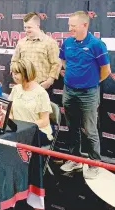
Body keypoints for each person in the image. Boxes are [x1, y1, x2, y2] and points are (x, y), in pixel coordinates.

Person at [59, 11, 111, 179]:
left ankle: (95, 163)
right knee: (72, 127)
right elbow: (64, 61)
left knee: (89, 129)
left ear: (85, 25)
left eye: (73, 26)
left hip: (88, 93)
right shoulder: (67, 42)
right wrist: (70, 76)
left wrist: (92, 83)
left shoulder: (97, 44)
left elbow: (106, 70)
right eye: (69, 25)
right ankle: (75, 159)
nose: (69, 28)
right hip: (69, 91)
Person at [11, 12, 61, 99]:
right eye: (25, 27)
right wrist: (14, 74)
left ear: (37, 25)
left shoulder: (50, 42)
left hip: (42, 86)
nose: (26, 30)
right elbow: (14, 61)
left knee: (41, 112)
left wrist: (49, 81)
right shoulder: (21, 43)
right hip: (24, 85)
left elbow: (56, 63)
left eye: (29, 27)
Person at [9, 59, 53, 143]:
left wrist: (26, 127)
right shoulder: (15, 89)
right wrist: (11, 122)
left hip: (37, 132)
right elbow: (10, 111)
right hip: (18, 131)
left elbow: (44, 121)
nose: (13, 76)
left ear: (26, 73)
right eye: (13, 73)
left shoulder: (41, 93)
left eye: (16, 73)